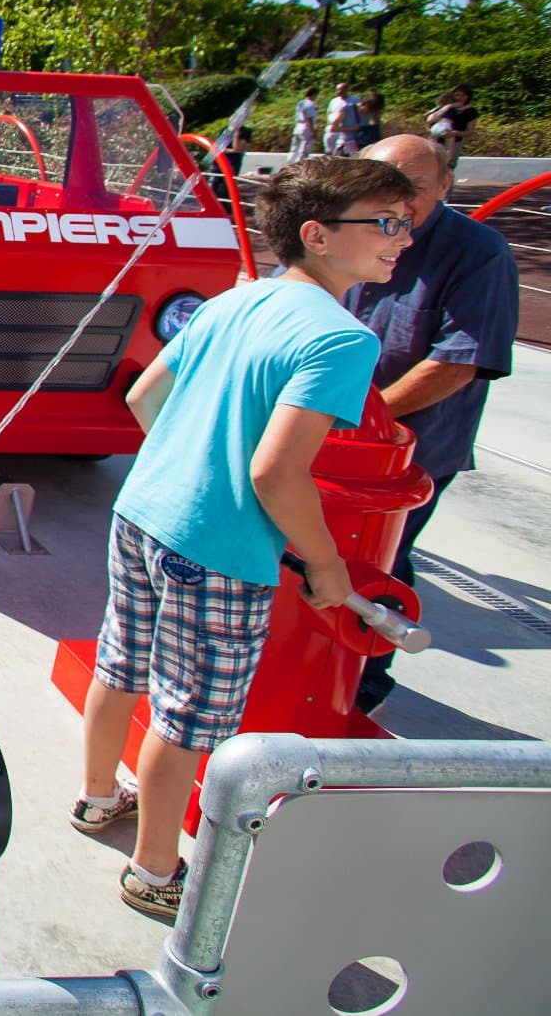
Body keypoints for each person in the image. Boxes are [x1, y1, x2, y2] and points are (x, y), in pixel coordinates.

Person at [73, 156, 415, 924]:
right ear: (319, 235)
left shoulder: (237, 299)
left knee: (122, 658)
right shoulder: (343, 339)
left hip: (143, 511)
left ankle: (98, 798)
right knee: (189, 714)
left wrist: (191, 466)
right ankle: (155, 869)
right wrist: (326, 563)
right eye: (385, 223)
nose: (402, 239)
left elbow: (142, 396)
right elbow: (275, 472)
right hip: (219, 551)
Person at [346, 135, 518, 714]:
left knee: (381, 562)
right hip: (328, 439)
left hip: (408, 451)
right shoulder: (352, 230)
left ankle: (364, 682)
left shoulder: (478, 254)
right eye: (381, 185)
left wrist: (365, 420)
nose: (396, 200)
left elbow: (457, 362)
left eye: (414, 187)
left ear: (446, 185)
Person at [425, 84, 478, 169]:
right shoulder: (445, 106)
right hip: (437, 135)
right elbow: (430, 120)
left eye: (463, 95)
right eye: (457, 95)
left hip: (454, 141)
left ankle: (449, 161)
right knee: (431, 165)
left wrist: (454, 133)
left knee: (448, 169)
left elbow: (470, 132)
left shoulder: (471, 112)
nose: (459, 97)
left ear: (468, 96)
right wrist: (447, 107)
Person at [324, 82, 359, 157]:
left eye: (341, 89)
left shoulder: (354, 100)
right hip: (334, 129)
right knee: (331, 152)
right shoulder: (334, 101)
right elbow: (329, 113)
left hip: (348, 130)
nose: (339, 91)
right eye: (337, 90)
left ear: (346, 89)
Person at [288, 89, 319, 162]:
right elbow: (309, 119)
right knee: (304, 151)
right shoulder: (310, 104)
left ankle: (289, 164)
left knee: (293, 150)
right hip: (306, 128)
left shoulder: (300, 103)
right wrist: (313, 131)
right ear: (313, 94)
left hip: (298, 127)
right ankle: (299, 167)